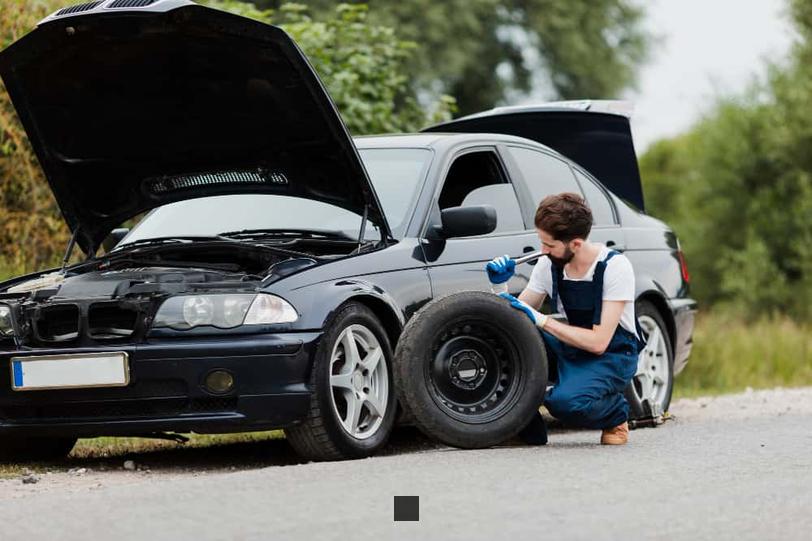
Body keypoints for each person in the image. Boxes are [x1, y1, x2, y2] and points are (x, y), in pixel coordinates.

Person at [486, 192, 645, 445]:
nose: (542, 250)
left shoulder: (615, 267)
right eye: (542, 242)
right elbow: (515, 318)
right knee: (506, 338)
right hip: (572, 344)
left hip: (612, 354)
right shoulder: (549, 263)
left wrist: (541, 320)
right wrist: (500, 287)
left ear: (576, 244)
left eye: (549, 245)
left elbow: (599, 342)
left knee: (567, 403)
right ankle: (523, 425)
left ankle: (616, 414)